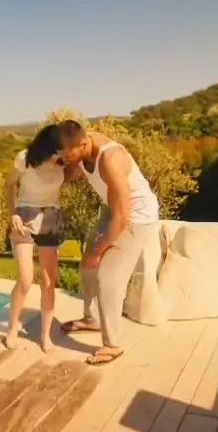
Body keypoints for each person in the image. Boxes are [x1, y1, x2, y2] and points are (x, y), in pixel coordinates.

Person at [53, 120, 160, 366]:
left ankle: (112, 345)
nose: (67, 160)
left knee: (108, 279)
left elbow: (123, 217)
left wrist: (98, 251)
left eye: (69, 156)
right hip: (113, 209)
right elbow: (76, 170)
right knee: (86, 268)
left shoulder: (111, 160)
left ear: (83, 144)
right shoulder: (79, 147)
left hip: (136, 218)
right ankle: (92, 319)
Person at [4, 124, 65, 353]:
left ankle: (45, 335)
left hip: (50, 217)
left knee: (48, 283)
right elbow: (9, 185)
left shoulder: (65, 162)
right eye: (56, 151)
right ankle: (12, 327)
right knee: (26, 279)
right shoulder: (25, 159)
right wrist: (13, 214)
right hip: (24, 217)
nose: (58, 156)